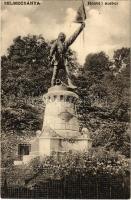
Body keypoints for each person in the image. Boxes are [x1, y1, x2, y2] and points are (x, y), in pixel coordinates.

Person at [49, 22, 85, 88]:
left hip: (64, 60)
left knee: (68, 72)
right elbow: (52, 49)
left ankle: (70, 84)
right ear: (59, 37)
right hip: (57, 59)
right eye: (61, 35)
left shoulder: (65, 44)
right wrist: (51, 56)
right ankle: (52, 85)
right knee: (54, 74)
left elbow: (73, 36)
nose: (62, 37)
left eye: (63, 36)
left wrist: (81, 27)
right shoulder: (56, 42)